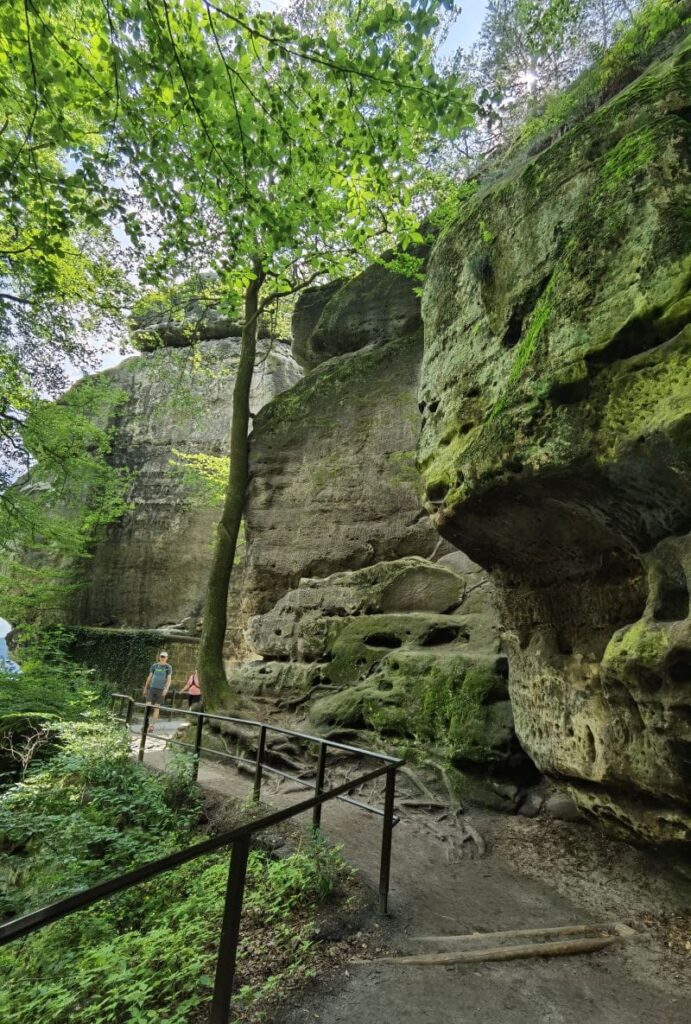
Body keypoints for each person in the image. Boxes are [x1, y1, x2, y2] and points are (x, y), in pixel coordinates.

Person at [143, 651, 173, 733]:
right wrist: (145, 688)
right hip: (152, 688)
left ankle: (152, 726)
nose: (162, 658)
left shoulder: (168, 667)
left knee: (157, 707)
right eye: (161, 656)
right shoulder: (154, 666)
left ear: (167, 658)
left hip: (160, 690)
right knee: (147, 706)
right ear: (159, 657)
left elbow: (169, 679)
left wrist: (166, 689)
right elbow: (149, 677)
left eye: (164, 657)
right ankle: (146, 724)